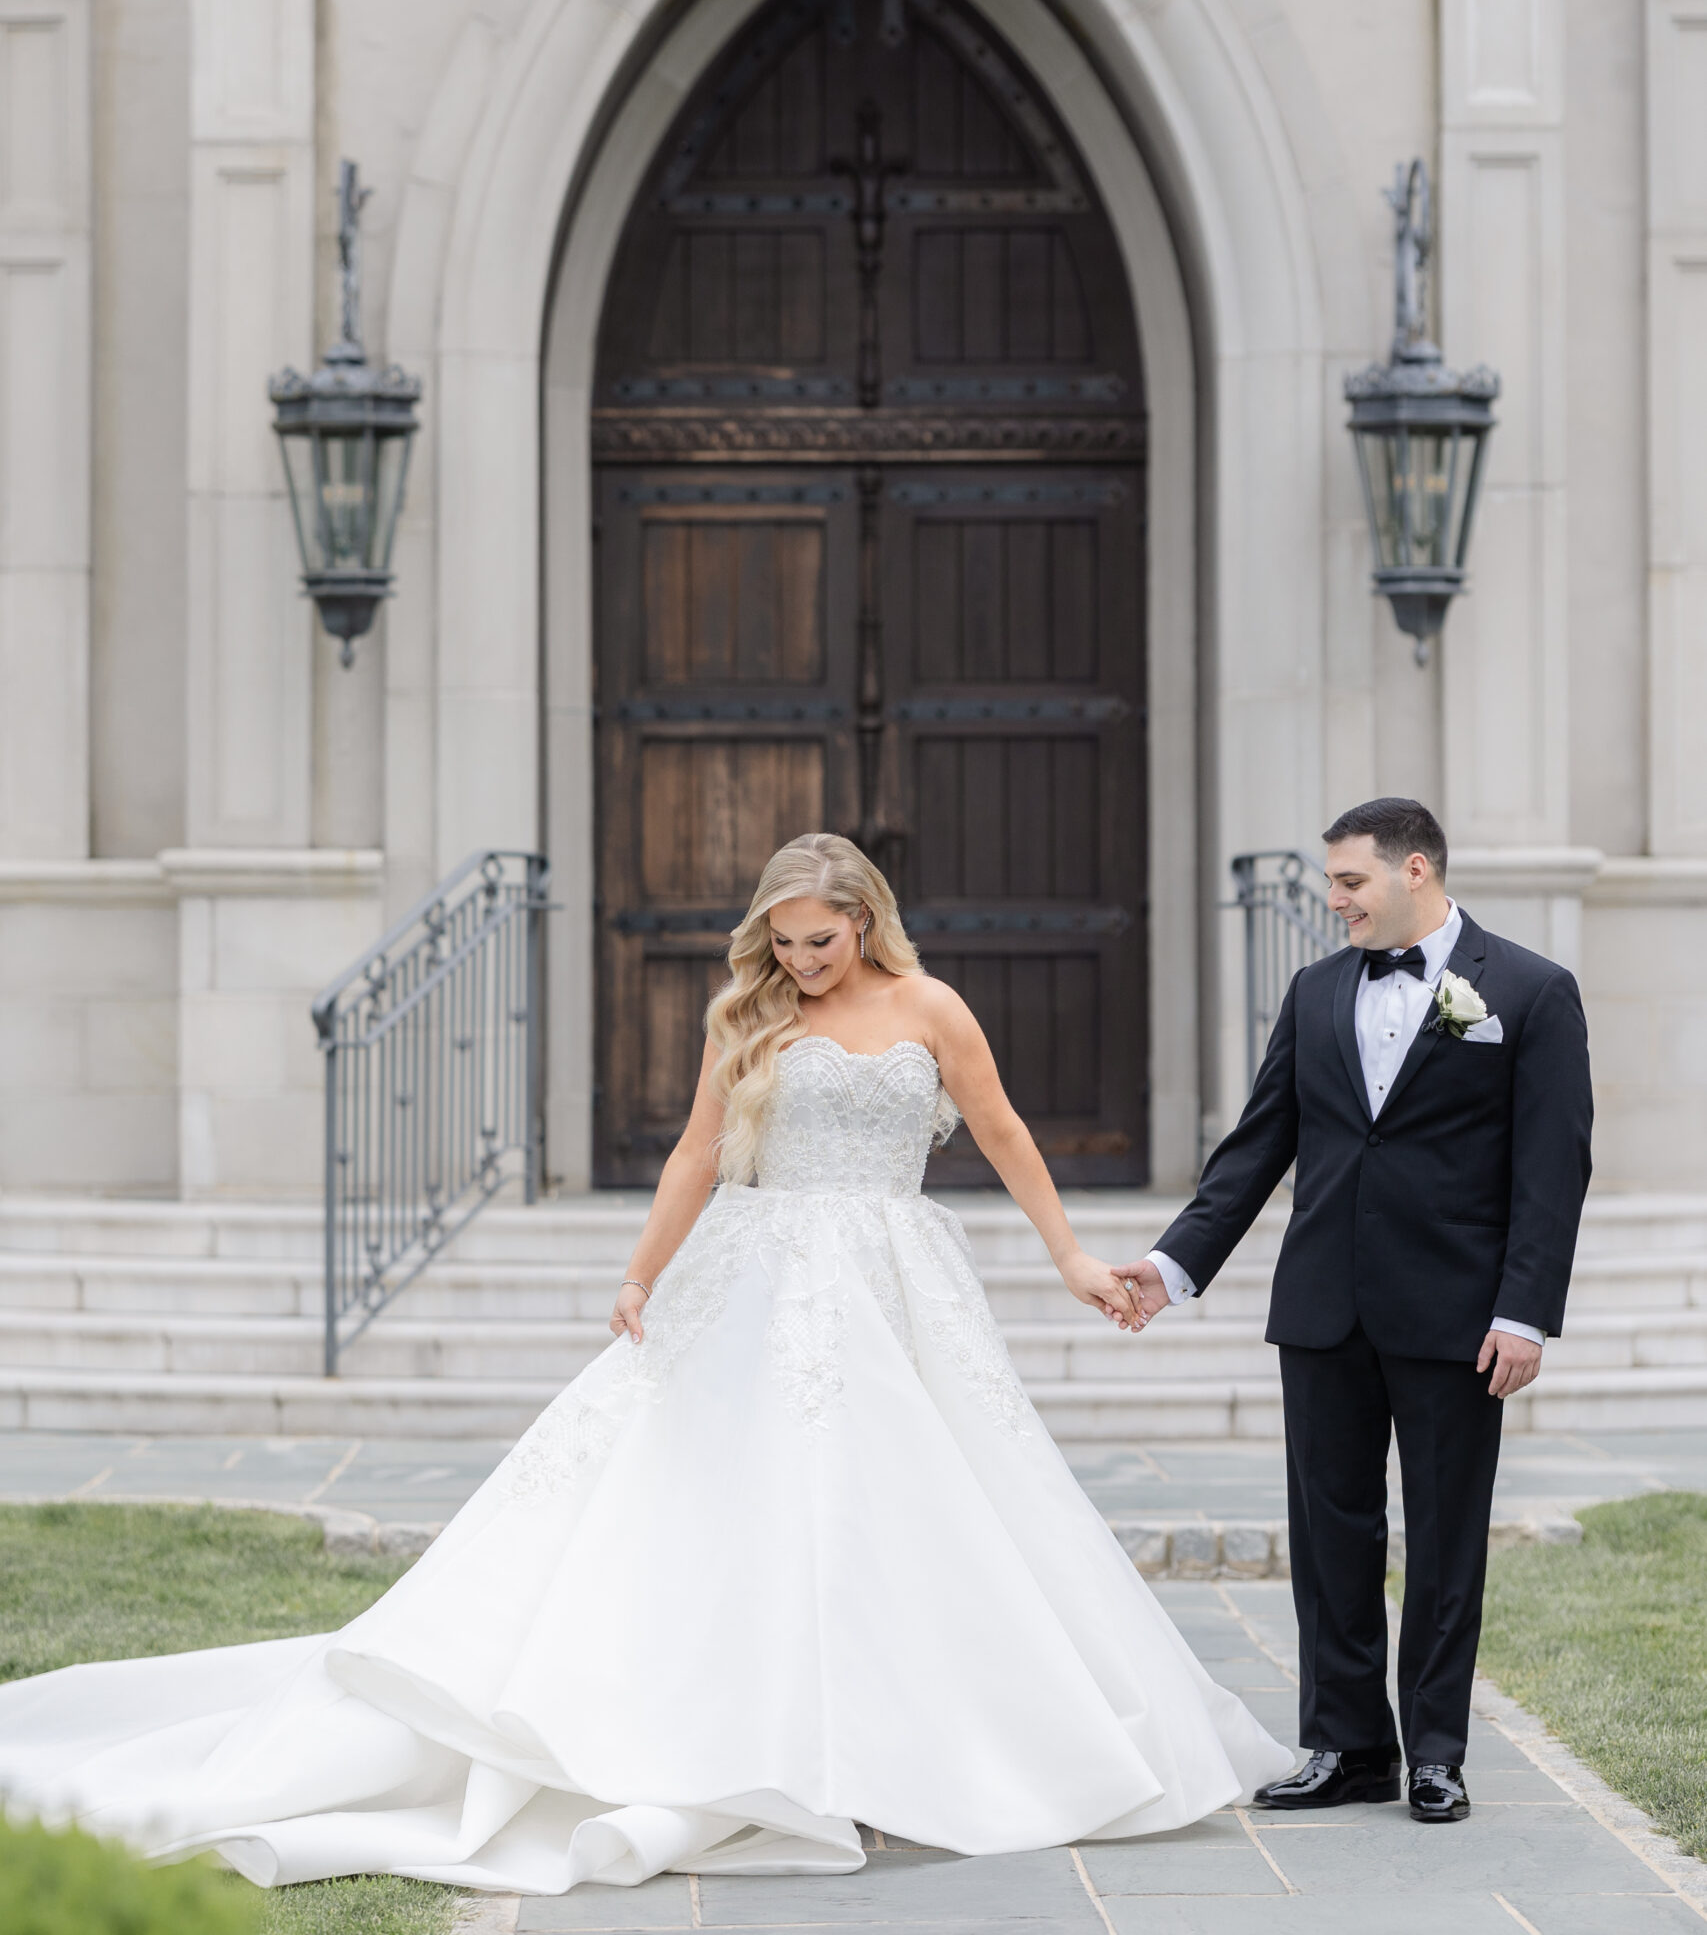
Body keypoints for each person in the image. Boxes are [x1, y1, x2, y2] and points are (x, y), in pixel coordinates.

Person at [0, 832, 1288, 1896]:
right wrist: (639, 1273)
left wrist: (1071, 1262)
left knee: (927, 1508)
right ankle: (756, 1732)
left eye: (819, 940)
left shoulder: (932, 1007)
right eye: (782, 943)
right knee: (745, 1505)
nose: (799, 961)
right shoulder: (752, 1014)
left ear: (865, 919)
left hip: (898, 1280)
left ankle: (926, 1739)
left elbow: (1002, 1132)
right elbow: (691, 1154)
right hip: (760, 1274)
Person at [1123, 797, 1593, 1825]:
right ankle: (1347, 1743)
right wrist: (1175, 1264)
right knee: (1330, 1533)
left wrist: (1525, 1311)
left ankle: (1434, 1750)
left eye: (1349, 882)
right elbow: (1259, 1145)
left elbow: (1553, 1168)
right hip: (1324, 1306)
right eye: (1332, 882)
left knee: (1444, 1536)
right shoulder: (1316, 988)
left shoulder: (1531, 990)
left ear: (1414, 869)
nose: (1335, 902)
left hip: (1457, 1312)